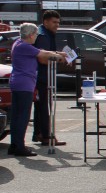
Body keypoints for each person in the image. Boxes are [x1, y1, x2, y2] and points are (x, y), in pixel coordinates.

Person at [8, 23, 65, 157]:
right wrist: (60, 56)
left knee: (16, 116)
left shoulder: (18, 43)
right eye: (35, 35)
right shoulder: (25, 46)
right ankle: (19, 146)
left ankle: (14, 144)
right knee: (23, 116)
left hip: (18, 83)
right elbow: (43, 54)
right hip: (24, 84)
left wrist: (59, 53)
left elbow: (41, 52)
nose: (36, 37)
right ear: (30, 35)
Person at [33, 10, 67, 145]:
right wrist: (59, 59)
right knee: (45, 106)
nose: (57, 25)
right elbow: (42, 58)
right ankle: (47, 136)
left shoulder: (46, 33)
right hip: (42, 76)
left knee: (41, 105)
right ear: (45, 22)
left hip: (42, 75)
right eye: (54, 22)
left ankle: (39, 133)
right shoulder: (43, 36)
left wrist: (60, 54)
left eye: (58, 22)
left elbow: (48, 52)